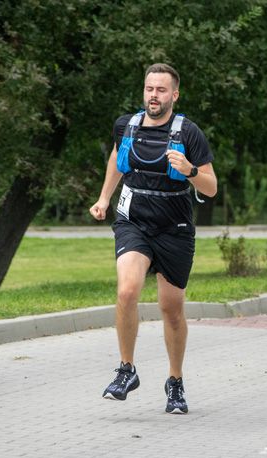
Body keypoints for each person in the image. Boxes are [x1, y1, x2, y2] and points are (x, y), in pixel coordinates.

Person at [89, 63, 217, 414]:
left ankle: (174, 381)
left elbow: (211, 185)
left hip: (174, 229)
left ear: (174, 94)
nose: (153, 96)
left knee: (171, 309)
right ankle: (126, 369)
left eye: (161, 90)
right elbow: (118, 157)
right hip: (134, 222)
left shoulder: (189, 133)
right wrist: (104, 198)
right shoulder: (126, 125)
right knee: (127, 290)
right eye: (149, 89)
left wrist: (190, 170)